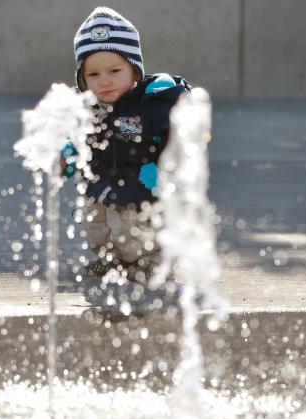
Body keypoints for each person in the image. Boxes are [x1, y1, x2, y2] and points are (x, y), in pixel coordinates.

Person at [63, 6, 191, 281]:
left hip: (140, 183)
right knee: (96, 227)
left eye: (114, 70)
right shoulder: (86, 108)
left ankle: (152, 260)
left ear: (134, 71)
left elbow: (179, 135)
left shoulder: (152, 104)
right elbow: (75, 139)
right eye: (93, 75)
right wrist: (65, 157)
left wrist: (167, 167)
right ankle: (111, 259)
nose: (104, 81)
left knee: (134, 228)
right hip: (99, 181)